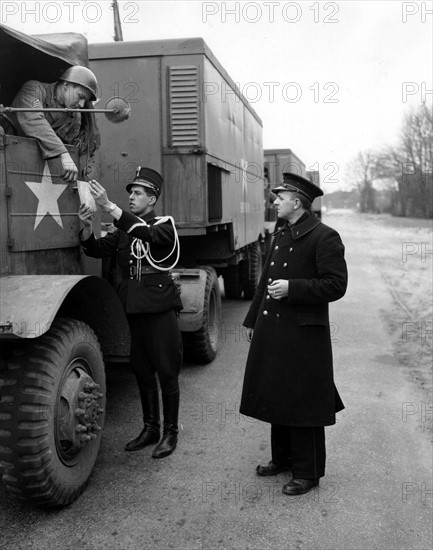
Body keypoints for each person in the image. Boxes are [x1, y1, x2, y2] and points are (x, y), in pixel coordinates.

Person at [240, 172, 348, 496]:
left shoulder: (324, 237)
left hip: (304, 335)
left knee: (304, 399)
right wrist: (251, 321)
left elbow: (336, 285)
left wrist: (293, 289)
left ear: (297, 202)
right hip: (274, 330)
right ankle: (282, 459)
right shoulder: (280, 234)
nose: (274, 202)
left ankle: (308, 472)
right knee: (278, 392)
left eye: (280, 198)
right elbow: (264, 281)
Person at [78, 167, 183, 458]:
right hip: (134, 310)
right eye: (130, 193)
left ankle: (170, 433)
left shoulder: (164, 224)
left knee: (167, 371)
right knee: (142, 371)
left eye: (137, 193)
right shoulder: (124, 229)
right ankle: (150, 429)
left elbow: (145, 233)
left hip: (160, 310)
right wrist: (86, 228)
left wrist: (109, 207)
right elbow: (97, 249)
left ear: (152, 199)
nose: (132, 197)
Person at [10, 66, 100, 183]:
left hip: (37, 172)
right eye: (80, 96)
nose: (82, 104)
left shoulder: (75, 116)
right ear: (66, 86)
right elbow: (34, 120)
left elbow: (71, 145)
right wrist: (63, 154)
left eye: (85, 100)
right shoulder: (34, 89)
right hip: (11, 159)